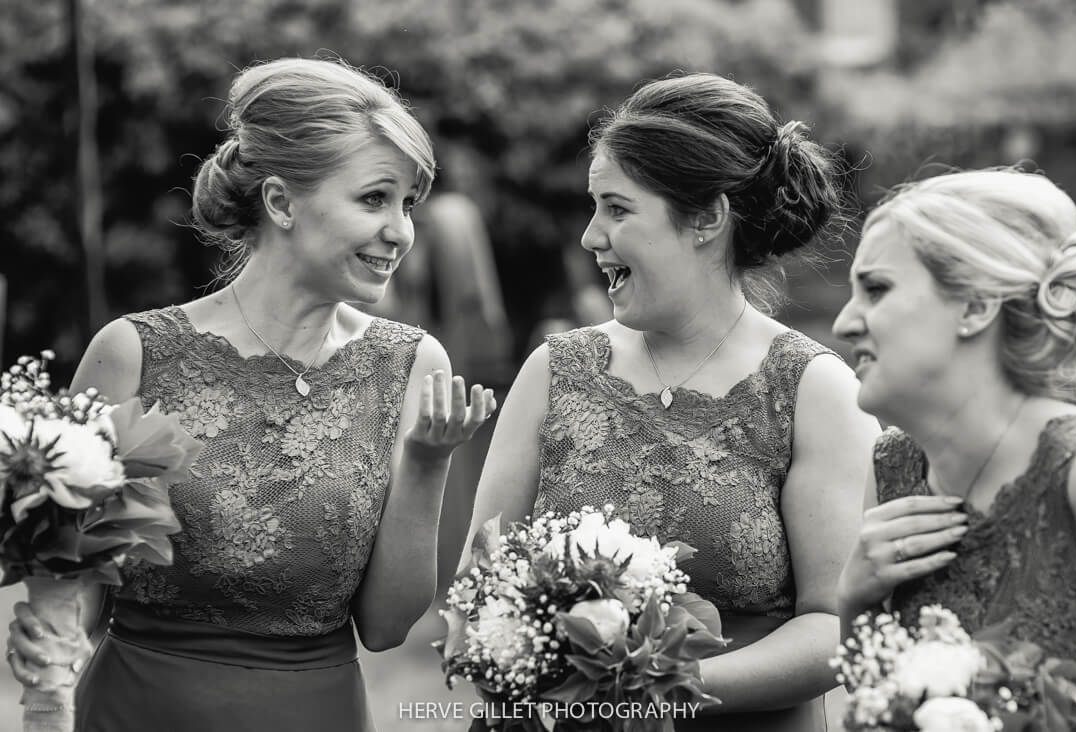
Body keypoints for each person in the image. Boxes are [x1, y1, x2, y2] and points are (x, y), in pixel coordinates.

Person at [4, 57, 496, 731]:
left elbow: (384, 628)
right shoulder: (133, 354)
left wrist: (426, 462)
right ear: (282, 202)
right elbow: (75, 604)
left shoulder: (411, 365)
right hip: (136, 712)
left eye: (407, 204)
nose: (400, 232)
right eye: (374, 199)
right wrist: (44, 646)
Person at [460, 73, 881, 731]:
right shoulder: (554, 371)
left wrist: (650, 683)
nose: (590, 237)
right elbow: (475, 594)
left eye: (618, 209)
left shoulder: (814, 390)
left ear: (708, 218)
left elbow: (834, 629)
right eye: (593, 207)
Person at [832, 169, 1076, 690]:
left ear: (976, 306)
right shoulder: (891, 467)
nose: (845, 322)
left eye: (876, 289)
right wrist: (855, 599)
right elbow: (875, 701)